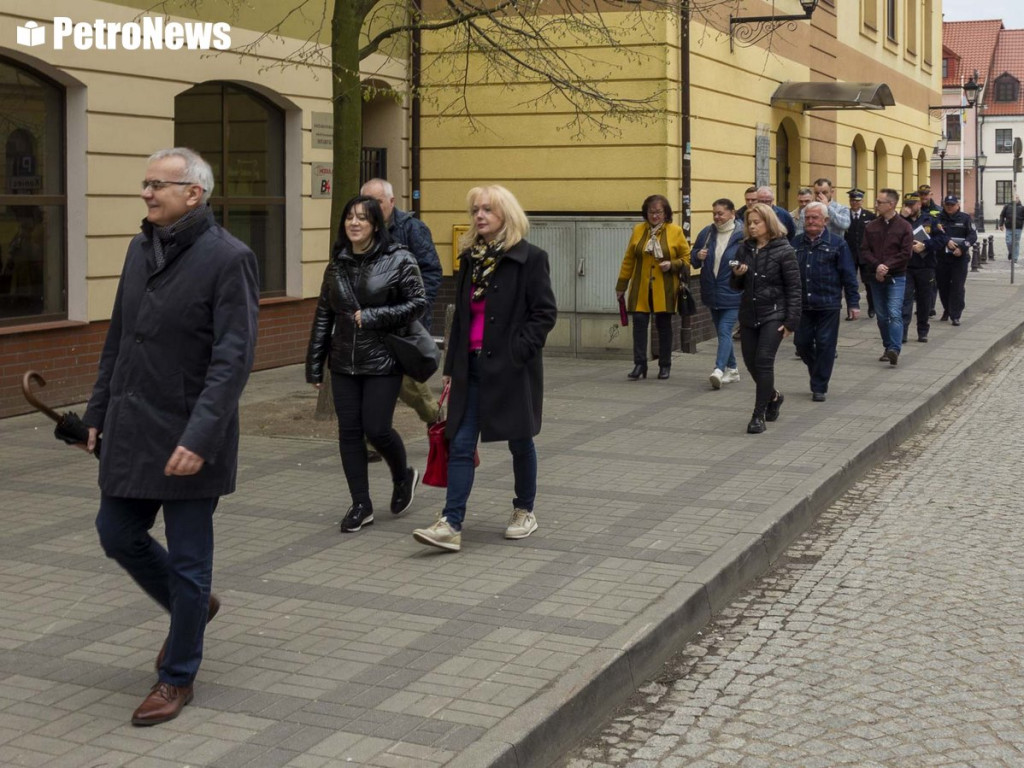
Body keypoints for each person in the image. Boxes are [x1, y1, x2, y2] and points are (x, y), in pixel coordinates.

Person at [81, 147, 259, 726]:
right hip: (133, 428)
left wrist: (201, 435)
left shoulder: (229, 258)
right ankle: (195, 609)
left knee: (188, 561)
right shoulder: (139, 248)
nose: (146, 193)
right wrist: (97, 410)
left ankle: (177, 677)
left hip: (189, 436)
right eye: (145, 183)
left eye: (158, 184)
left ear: (194, 194)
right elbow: (119, 336)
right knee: (116, 532)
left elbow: (232, 360)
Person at [412, 185, 557, 553]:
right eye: (475, 209)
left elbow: (544, 314)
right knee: (460, 443)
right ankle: (451, 523)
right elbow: (460, 318)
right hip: (471, 368)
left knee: (519, 440)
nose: (479, 216)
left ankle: (524, 510)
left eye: (488, 210)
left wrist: (518, 352)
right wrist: (450, 365)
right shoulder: (470, 260)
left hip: (511, 369)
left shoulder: (530, 258)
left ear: (505, 215)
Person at [306, 195, 427, 534]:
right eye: (349, 218)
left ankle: (403, 475)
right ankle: (361, 503)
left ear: (376, 223)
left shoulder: (399, 258)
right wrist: (314, 365)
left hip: (383, 359)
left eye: (362, 217)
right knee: (349, 433)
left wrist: (374, 316)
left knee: (376, 428)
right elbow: (323, 316)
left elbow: (418, 303)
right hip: (344, 360)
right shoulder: (337, 264)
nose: (354, 223)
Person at [360, 178, 443, 423]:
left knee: (407, 383)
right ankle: (372, 440)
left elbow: (431, 271)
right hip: (371, 321)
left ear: (392, 202)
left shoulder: (412, 229)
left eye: (377, 201)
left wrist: (416, 308)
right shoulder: (361, 229)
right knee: (372, 380)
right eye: (366, 202)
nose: (371, 207)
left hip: (405, 321)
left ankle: (436, 419)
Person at [730, 203, 801, 434]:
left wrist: (791, 321)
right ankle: (773, 396)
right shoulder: (745, 249)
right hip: (749, 313)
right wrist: (738, 275)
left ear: (768, 223)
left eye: (756, 222)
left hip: (774, 313)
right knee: (751, 364)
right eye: (749, 223)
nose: (751, 227)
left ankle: (757, 415)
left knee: (763, 360)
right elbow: (735, 286)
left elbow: (794, 287)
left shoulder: (784, 250)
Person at [615, 194, 691, 380]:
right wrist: (621, 285)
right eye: (651, 212)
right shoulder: (638, 230)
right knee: (639, 324)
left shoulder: (675, 231)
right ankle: (639, 364)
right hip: (640, 287)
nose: (655, 216)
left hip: (665, 288)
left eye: (659, 212)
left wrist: (671, 265)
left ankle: (665, 365)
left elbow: (686, 259)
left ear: (666, 214)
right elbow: (629, 259)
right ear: (645, 213)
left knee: (664, 326)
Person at [791, 202, 860, 402]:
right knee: (801, 343)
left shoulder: (838, 243)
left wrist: (853, 304)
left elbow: (848, 275)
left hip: (828, 302)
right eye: (808, 218)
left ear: (825, 221)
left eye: (815, 217)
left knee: (825, 344)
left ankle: (819, 385)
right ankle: (817, 370)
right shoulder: (795, 243)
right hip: (802, 303)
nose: (811, 221)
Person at [691, 198, 744, 389]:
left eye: (720, 213)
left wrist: (737, 268)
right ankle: (733, 369)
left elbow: (747, 262)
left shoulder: (742, 235)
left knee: (724, 330)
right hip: (711, 291)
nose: (716, 217)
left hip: (733, 291)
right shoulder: (707, 232)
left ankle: (719, 370)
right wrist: (697, 255)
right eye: (714, 213)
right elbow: (694, 258)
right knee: (724, 333)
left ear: (732, 213)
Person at [861, 188, 913, 366]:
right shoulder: (871, 226)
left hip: (896, 277)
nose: (876, 205)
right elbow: (865, 250)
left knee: (894, 312)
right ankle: (887, 346)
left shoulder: (904, 227)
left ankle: (894, 349)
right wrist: (877, 266)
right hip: (876, 276)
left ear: (891, 204)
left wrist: (887, 266)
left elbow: (906, 253)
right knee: (882, 315)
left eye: (879, 202)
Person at [900, 191, 946, 343]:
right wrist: (901, 218)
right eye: (906, 205)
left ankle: (922, 330)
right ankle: (903, 332)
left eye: (912, 205)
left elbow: (942, 239)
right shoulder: (900, 221)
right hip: (906, 266)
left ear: (919, 204)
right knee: (905, 300)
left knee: (924, 300)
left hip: (925, 266)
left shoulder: (930, 220)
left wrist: (925, 245)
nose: (909, 208)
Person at [935, 194, 977, 326]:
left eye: (952, 205)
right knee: (943, 286)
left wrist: (963, 248)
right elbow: (934, 235)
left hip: (960, 258)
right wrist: (946, 241)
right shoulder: (937, 218)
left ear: (957, 205)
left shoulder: (965, 218)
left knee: (957, 287)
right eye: (947, 204)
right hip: (942, 258)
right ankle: (947, 309)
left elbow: (972, 235)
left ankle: (956, 314)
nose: (949, 207)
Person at [844, 189, 876, 319]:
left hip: (865, 255)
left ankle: (872, 307)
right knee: (850, 283)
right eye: (852, 200)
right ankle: (851, 309)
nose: (854, 203)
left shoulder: (869, 216)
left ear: (862, 201)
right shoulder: (845, 215)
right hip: (849, 254)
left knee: (868, 283)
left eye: (857, 201)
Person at [998, 194, 1024, 263]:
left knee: (1016, 243)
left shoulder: (1022, 208)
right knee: (1008, 241)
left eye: (1017, 198)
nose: (1016, 199)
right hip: (1009, 227)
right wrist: (1001, 224)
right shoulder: (1007, 206)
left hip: (1018, 228)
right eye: (1014, 198)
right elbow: (1002, 215)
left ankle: (1015, 258)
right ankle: (1011, 252)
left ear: (1019, 199)